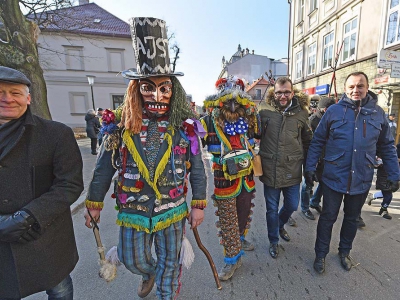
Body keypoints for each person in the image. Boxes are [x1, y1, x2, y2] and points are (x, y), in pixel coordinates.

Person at [83, 17, 207, 300]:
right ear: (135, 89)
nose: (157, 95)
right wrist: (94, 204)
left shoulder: (184, 128)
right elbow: (103, 170)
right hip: (133, 211)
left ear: (173, 91)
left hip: (172, 209)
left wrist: (198, 204)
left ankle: (166, 293)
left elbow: (198, 169)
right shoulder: (118, 128)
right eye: (148, 87)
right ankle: (148, 273)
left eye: (164, 88)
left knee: (169, 265)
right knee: (131, 259)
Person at [0, 66, 84, 299]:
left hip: (44, 233)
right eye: (0, 92)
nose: (7, 99)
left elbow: (70, 184)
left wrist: (29, 217)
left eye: (15, 93)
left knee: (59, 289)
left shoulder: (56, 134)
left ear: (28, 98)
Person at [305, 71, 400, 274]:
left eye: (360, 86)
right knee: (328, 217)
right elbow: (318, 141)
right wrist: (310, 167)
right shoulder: (334, 111)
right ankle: (320, 254)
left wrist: (394, 174)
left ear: (367, 88)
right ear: (346, 89)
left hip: (362, 177)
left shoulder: (378, 113)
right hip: (333, 177)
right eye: (351, 87)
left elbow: (387, 146)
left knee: (351, 218)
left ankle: (344, 251)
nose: (356, 90)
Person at [201, 76, 259, 280]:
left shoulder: (249, 119)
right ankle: (232, 259)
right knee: (227, 219)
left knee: (244, 213)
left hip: (246, 176)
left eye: (237, 100)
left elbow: (255, 141)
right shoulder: (208, 120)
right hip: (223, 178)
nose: (233, 105)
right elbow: (194, 143)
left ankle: (240, 238)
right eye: (228, 100)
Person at [257, 77, 313, 259]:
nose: (283, 96)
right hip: (270, 167)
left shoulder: (302, 113)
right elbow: (254, 133)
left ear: (292, 92)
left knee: (292, 204)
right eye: (279, 92)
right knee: (271, 208)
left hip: (292, 167)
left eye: (286, 92)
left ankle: (280, 225)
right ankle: (273, 240)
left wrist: (309, 167)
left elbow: (307, 141)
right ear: (274, 92)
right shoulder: (263, 111)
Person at [300, 96, 335, 220]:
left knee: (324, 182)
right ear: (325, 109)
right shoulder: (312, 121)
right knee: (308, 184)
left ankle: (314, 202)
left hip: (327, 158)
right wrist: (312, 161)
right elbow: (309, 142)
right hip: (312, 158)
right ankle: (304, 207)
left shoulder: (331, 119)